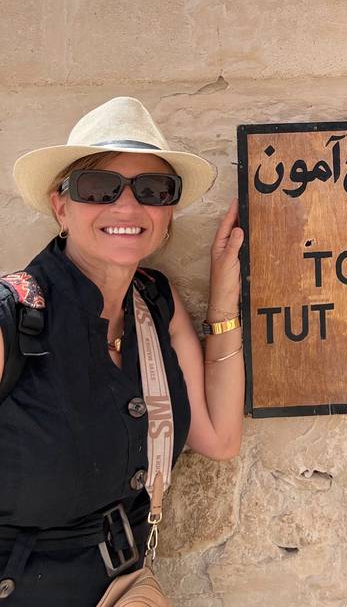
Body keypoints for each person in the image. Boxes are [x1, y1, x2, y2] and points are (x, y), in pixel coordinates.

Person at [0, 96, 245, 606]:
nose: (128, 207)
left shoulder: (156, 305)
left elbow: (218, 437)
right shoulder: (12, 318)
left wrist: (222, 293)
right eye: (99, 188)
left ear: (168, 210)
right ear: (61, 205)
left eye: (153, 190)